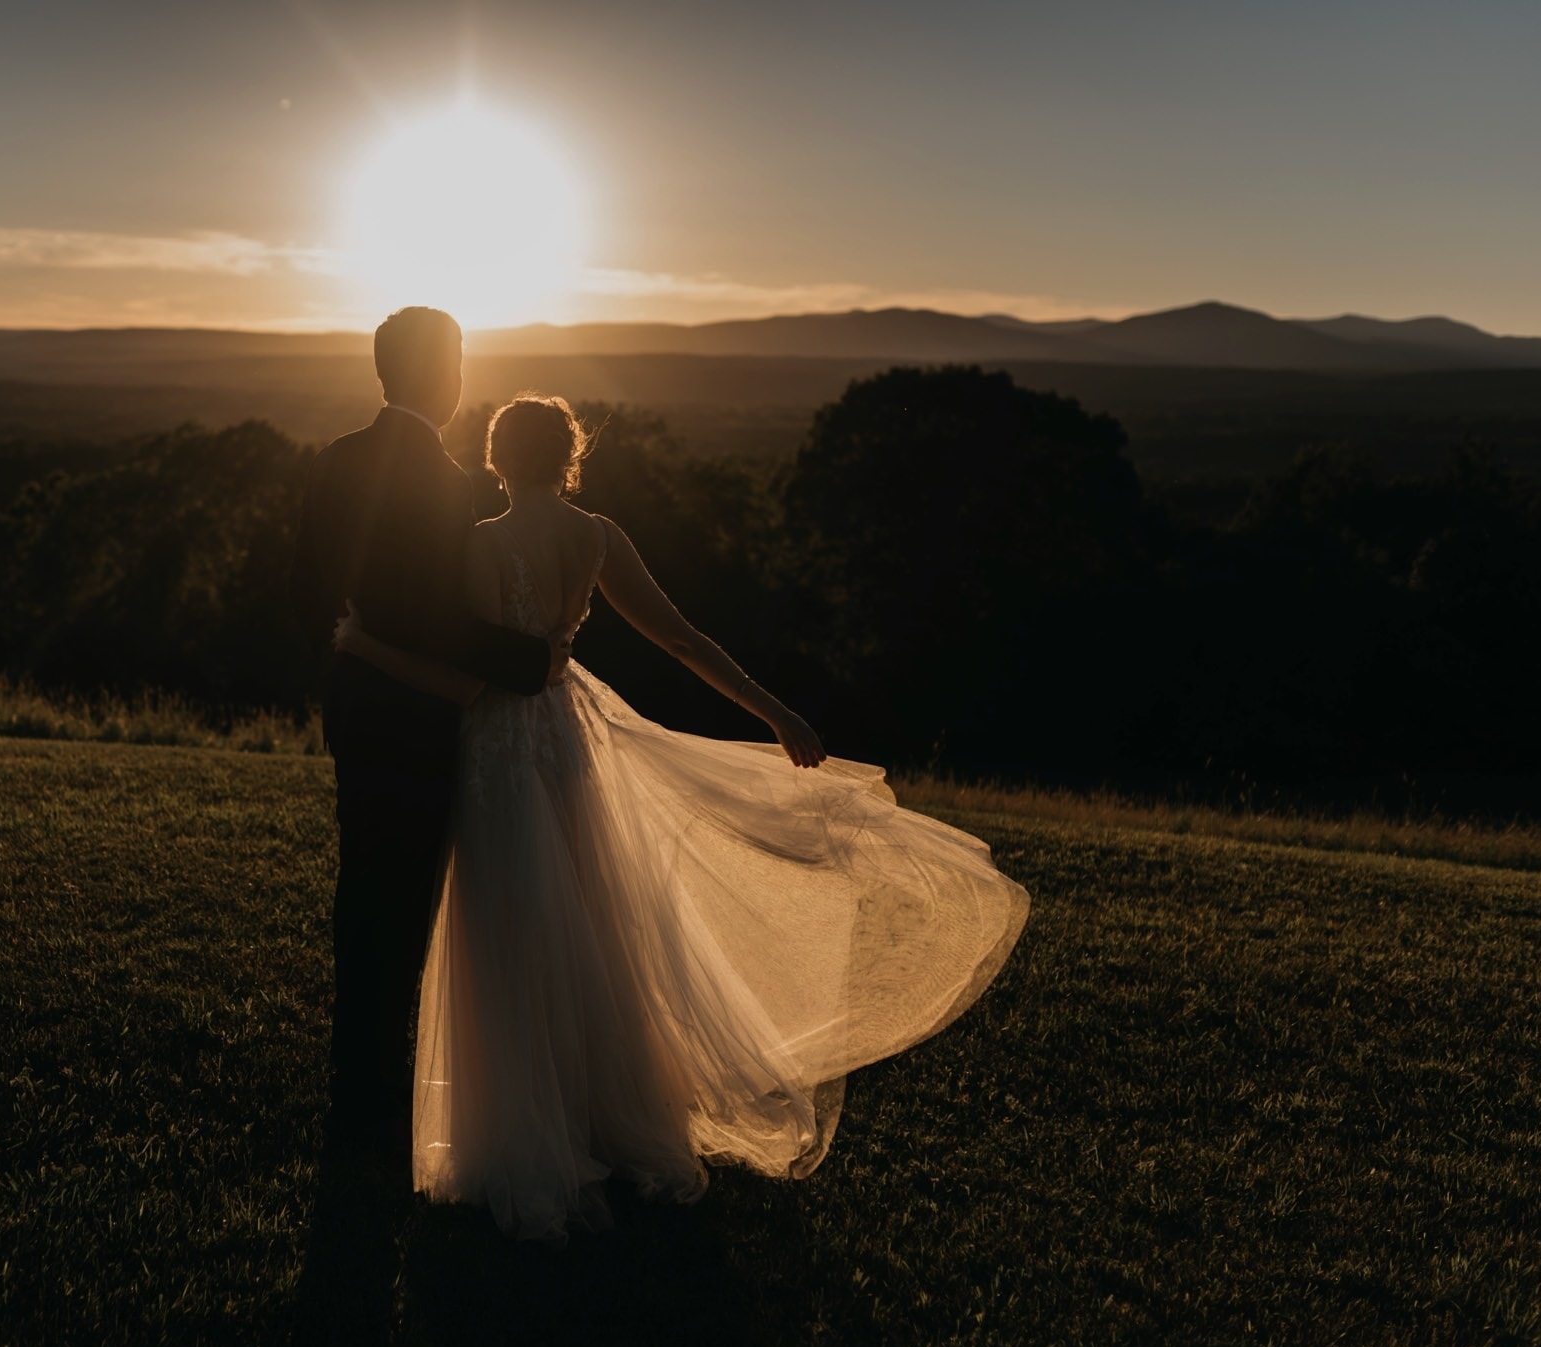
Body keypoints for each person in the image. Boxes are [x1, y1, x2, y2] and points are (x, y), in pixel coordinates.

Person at [332, 393, 1031, 1241]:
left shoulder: (482, 543)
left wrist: (366, 648)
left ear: (494, 459)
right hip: (570, 739)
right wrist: (777, 713)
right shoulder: (598, 535)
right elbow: (682, 638)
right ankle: (599, 1121)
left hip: (500, 756)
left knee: (512, 935)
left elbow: (481, 680)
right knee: (589, 927)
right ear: (569, 457)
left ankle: (525, 1142)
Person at [292, 307, 566, 1176]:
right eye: (457, 360)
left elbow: (305, 586)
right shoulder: (448, 482)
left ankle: (358, 1091)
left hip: (360, 709)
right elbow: (433, 617)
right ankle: (381, 1102)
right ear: (441, 374)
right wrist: (533, 658)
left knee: (362, 895)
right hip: (416, 718)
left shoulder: (336, 458)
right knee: (402, 906)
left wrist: (338, 663)